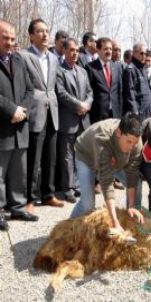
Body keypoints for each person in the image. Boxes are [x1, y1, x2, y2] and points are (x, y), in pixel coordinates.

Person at [70, 113, 143, 233]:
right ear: (119, 133)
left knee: (137, 183)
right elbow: (107, 183)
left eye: (134, 143)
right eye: (129, 142)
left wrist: (131, 205)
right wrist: (114, 222)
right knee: (88, 204)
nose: (132, 147)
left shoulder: (136, 141)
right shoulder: (103, 139)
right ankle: (69, 229)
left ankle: (132, 220)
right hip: (86, 156)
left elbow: (132, 175)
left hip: (114, 159)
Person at [21, 18, 64, 213]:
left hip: (52, 113)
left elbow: (53, 87)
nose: (45, 34)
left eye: (47, 31)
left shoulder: (54, 58)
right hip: (34, 112)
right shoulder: (23, 56)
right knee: (33, 159)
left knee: (51, 157)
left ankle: (48, 194)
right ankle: (29, 198)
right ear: (31, 35)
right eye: (40, 31)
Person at [0, 20, 38, 230]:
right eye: (5, 37)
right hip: (3, 126)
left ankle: (17, 207)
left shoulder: (19, 60)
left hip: (20, 125)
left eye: (13, 38)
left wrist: (21, 110)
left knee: (18, 171)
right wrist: (10, 110)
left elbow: (31, 90)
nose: (10, 42)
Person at [56, 37, 93, 203]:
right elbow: (61, 93)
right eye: (71, 50)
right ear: (64, 51)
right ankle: (68, 188)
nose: (75, 53)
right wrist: (78, 105)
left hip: (83, 121)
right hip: (68, 120)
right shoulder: (59, 71)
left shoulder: (83, 71)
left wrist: (87, 104)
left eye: (77, 50)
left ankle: (78, 185)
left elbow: (90, 92)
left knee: (81, 154)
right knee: (67, 156)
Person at [86, 37, 123, 124]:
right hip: (98, 115)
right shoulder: (90, 68)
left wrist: (120, 113)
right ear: (98, 50)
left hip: (115, 114)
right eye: (106, 49)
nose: (109, 51)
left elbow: (119, 92)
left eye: (110, 49)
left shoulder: (117, 67)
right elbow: (89, 92)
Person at [122, 42, 151, 121]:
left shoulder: (143, 69)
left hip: (147, 112)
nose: (144, 56)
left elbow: (147, 91)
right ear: (134, 53)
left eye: (145, 54)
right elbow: (129, 93)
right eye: (142, 53)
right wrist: (135, 112)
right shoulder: (130, 70)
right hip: (138, 113)